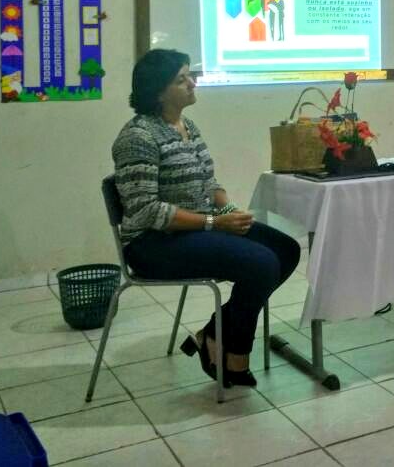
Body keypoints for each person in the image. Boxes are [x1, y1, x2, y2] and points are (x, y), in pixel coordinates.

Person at [111, 49, 300, 387]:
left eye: (189, 76)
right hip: (153, 244)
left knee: (286, 250)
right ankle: (233, 355)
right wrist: (214, 224)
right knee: (260, 264)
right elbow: (145, 211)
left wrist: (228, 211)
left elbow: (209, 182)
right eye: (181, 79)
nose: (192, 83)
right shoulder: (137, 136)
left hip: (199, 228)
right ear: (157, 91)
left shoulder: (187, 126)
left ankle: (212, 334)